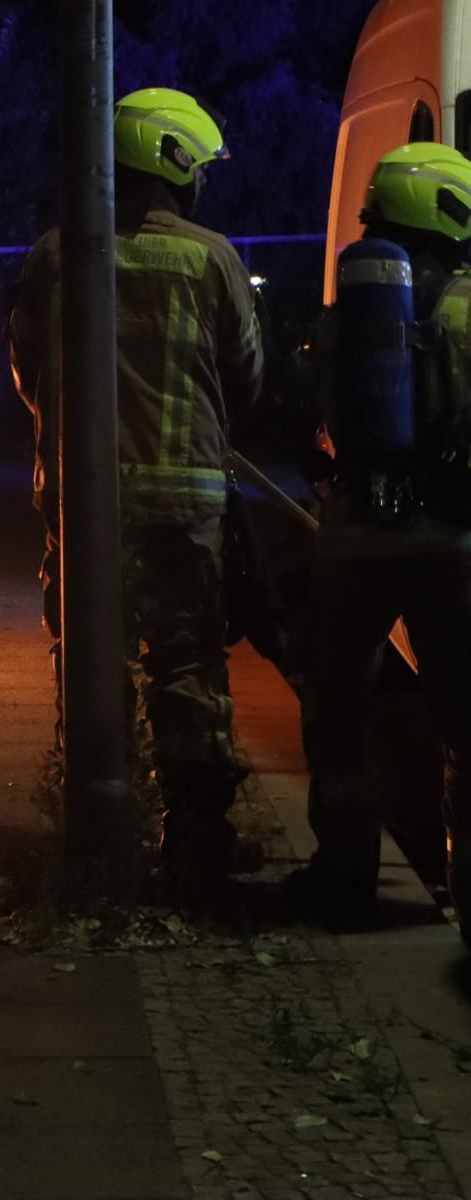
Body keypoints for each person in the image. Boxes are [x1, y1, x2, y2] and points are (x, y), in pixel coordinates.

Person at [7, 87, 264, 892]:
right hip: (185, 503)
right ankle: (196, 840)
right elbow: (246, 378)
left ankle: (96, 836)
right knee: (187, 665)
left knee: (90, 661)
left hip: (84, 508)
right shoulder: (214, 258)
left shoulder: (57, 254)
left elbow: (27, 373)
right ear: (175, 163)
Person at [289, 142, 471, 942]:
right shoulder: (467, 308)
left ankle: (343, 873)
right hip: (448, 540)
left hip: (353, 538)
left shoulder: (342, 319)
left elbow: (320, 418)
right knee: (463, 717)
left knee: (338, 710)